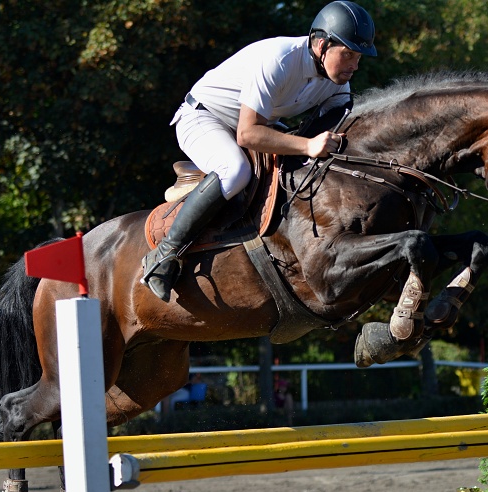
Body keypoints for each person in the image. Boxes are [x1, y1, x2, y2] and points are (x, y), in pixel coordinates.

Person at [141, 1, 377, 302]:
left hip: (257, 125)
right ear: (321, 45)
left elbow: (334, 128)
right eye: (347, 54)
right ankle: (164, 255)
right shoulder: (279, 59)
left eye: (358, 57)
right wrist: (308, 145)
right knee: (235, 171)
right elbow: (248, 134)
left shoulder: (336, 84)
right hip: (204, 117)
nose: (354, 66)